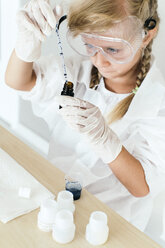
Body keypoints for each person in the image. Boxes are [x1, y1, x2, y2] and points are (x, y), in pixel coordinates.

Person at [5, 0, 165, 232]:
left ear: (147, 34)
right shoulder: (78, 72)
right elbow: (19, 81)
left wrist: (105, 141)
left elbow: (142, 187)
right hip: (59, 201)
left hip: (111, 222)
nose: (99, 61)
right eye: (89, 45)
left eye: (112, 49)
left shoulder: (157, 103)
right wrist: (26, 45)